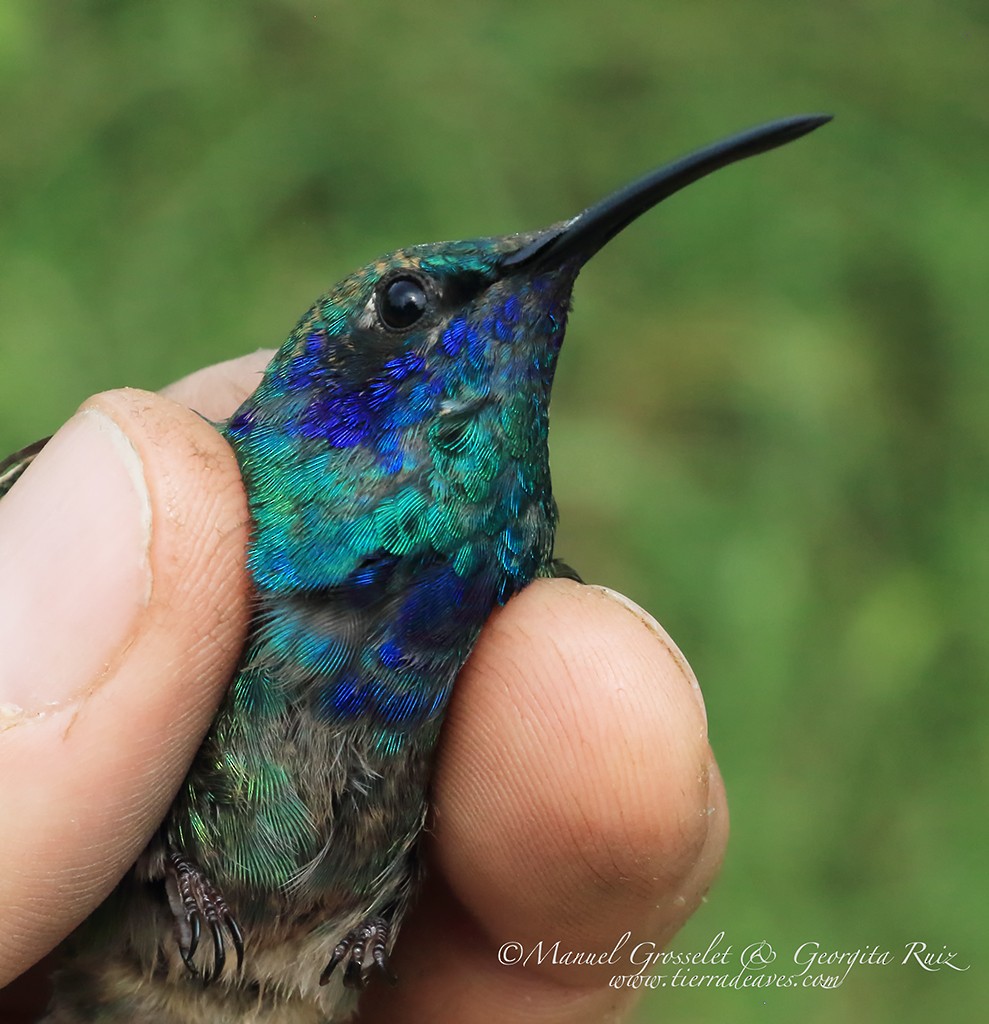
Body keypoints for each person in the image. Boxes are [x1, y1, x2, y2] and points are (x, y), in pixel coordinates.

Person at [0, 354, 727, 1022]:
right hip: (134, 973)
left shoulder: (427, 653)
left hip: (314, 980)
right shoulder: (244, 573)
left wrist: (376, 918)